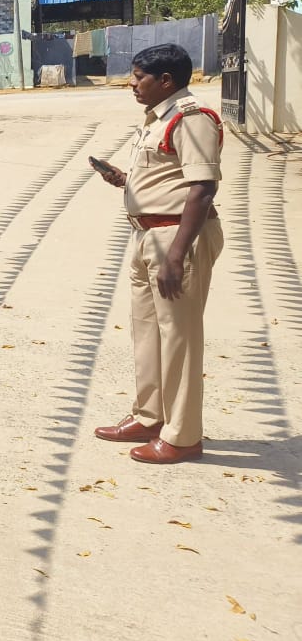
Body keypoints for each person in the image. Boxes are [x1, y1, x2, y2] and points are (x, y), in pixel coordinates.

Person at [93, 44, 224, 465]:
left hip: (176, 238)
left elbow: (202, 188)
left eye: (139, 77)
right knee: (148, 333)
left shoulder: (192, 118)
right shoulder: (158, 119)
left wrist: (177, 256)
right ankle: (150, 416)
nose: (132, 84)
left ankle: (182, 436)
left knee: (179, 338)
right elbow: (168, 175)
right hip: (147, 235)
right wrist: (126, 181)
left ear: (166, 80)